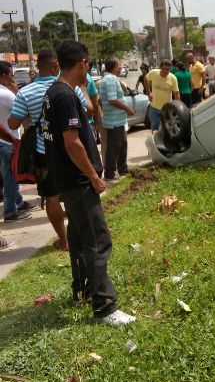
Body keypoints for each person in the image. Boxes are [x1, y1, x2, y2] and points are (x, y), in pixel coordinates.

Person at [42, 40, 135, 325]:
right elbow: (72, 143)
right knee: (98, 240)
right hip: (79, 182)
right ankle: (104, 306)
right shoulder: (66, 96)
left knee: (81, 239)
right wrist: (95, 177)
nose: (89, 68)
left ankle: (81, 290)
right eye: (88, 63)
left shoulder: (55, 92)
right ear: (82, 62)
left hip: (68, 181)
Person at [9, 48, 85, 251]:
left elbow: (14, 123)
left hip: (44, 152)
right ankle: (78, 234)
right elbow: (86, 109)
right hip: (70, 150)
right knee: (72, 192)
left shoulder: (26, 92)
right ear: (55, 66)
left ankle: (64, 240)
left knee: (51, 197)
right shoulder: (68, 87)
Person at [0, 61, 36, 222]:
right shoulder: (6, 94)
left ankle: (18, 201)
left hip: (4, 140)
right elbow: (23, 107)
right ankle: (10, 211)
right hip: (8, 141)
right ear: (3, 75)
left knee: (7, 173)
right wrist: (14, 88)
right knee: (12, 176)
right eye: (10, 75)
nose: (12, 78)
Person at [98, 57, 135, 181]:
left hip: (117, 119)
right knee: (114, 148)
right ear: (115, 68)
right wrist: (127, 109)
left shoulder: (110, 79)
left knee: (122, 144)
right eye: (119, 66)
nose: (121, 68)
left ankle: (123, 169)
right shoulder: (110, 80)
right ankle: (109, 174)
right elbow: (112, 100)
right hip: (114, 121)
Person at [144, 59, 180, 131]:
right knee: (155, 127)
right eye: (164, 69)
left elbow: (176, 94)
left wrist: (178, 107)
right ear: (160, 68)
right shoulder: (153, 73)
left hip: (166, 108)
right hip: (154, 107)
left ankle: (166, 141)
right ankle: (156, 141)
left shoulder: (173, 78)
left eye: (168, 69)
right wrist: (149, 93)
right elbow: (145, 79)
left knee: (168, 128)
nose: (166, 71)